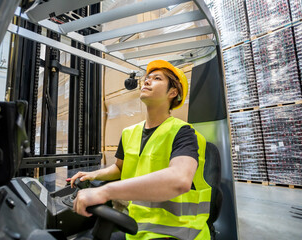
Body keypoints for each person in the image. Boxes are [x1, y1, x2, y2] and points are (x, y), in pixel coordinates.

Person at [71, 60, 211, 240]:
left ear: (173, 92)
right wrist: (94, 175)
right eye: (147, 78)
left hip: (176, 233)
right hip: (136, 229)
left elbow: (180, 180)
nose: (146, 81)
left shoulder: (184, 133)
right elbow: (120, 169)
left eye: (157, 78)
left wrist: (103, 192)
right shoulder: (129, 133)